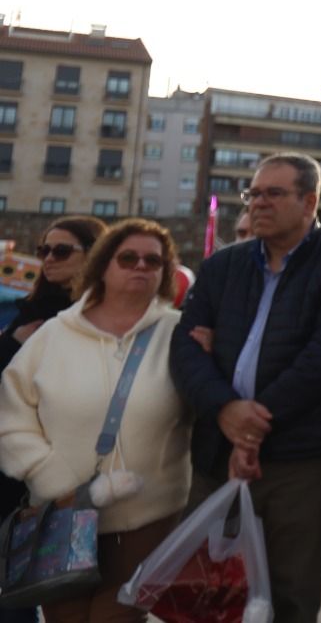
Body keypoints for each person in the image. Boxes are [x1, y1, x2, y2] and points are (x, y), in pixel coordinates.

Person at [169, 153, 321, 623]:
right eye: (253, 193)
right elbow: (185, 346)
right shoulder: (223, 265)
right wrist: (224, 409)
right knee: (201, 592)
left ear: (309, 201)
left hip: (298, 462)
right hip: (214, 455)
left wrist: (253, 422)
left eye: (272, 193)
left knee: (289, 595)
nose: (258, 203)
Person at [0, 218, 191, 623]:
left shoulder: (181, 333)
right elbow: (10, 413)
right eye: (128, 257)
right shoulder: (54, 334)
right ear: (103, 265)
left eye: (153, 260)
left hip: (148, 516)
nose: (141, 266)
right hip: (60, 511)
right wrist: (50, 478)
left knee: (114, 618)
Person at [0, 216, 106, 538]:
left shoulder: (101, 317)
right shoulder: (30, 311)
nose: (48, 258)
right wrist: (12, 342)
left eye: (61, 251)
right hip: (16, 456)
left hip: (75, 458)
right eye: (44, 250)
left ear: (93, 254)